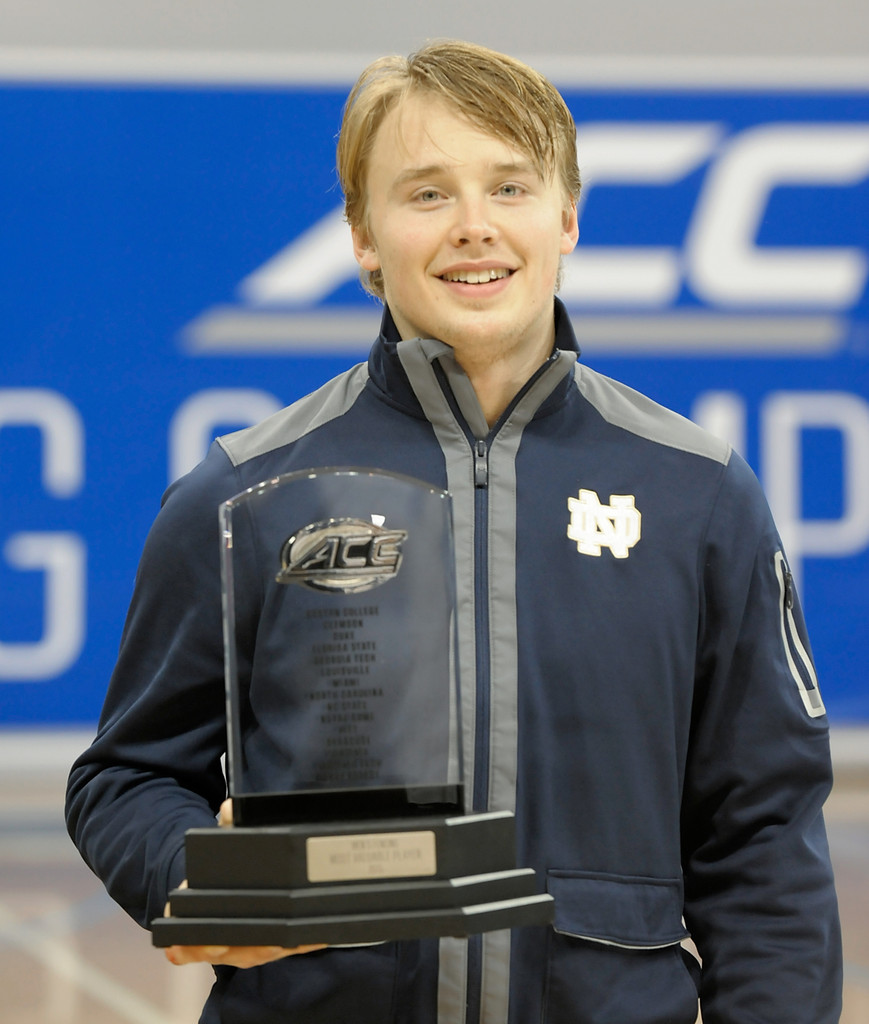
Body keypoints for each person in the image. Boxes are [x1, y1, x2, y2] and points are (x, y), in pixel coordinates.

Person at [66, 39, 842, 1023]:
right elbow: (126, 775)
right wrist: (197, 872)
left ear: (565, 219)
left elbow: (764, 836)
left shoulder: (697, 494)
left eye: (509, 187)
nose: (473, 228)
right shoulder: (246, 490)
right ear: (361, 236)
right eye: (425, 194)